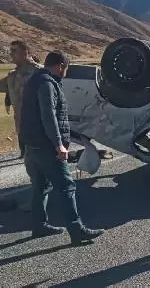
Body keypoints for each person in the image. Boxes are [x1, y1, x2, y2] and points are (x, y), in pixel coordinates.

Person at [20, 50, 104, 244]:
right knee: (66, 186)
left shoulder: (35, 80)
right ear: (60, 66)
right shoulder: (47, 84)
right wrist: (59, 144)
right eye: (65, 69)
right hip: (46, 146)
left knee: (40, 186)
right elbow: (48, 116)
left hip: (32, 145)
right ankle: (77, 230)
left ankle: (39, 225)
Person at [0, 40, 42, 158]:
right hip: (21, 124)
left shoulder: (42, 72)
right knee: (29, 162)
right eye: (10, 51)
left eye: (14, 51)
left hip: (41, 126)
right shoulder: (12, 76)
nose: (10, 54)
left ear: (26, 53)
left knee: (43, 161)